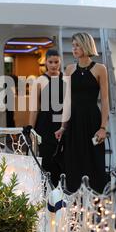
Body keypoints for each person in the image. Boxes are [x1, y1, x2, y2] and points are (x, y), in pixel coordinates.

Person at [54, 33, 110, 193]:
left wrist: (103, 127)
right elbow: (66, 101)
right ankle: (73, 202)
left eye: (77, 45)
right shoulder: (69, 69)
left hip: (93, 121)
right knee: (73, 161)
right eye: (73, 45)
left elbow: (105, 100)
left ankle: (97, 203)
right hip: (74, 122)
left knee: (94, 161)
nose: (74, 49)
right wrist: (63, 127)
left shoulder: (100, 69)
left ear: (86, 45)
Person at [28, 50, 64, 186]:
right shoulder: (40, 81)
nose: (54, 65)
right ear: (46, 63)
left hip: (62, 124)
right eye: (51, 62)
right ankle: (45, 190)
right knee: (46, 159)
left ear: (60, 62)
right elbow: (34, 107)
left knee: (61, 160)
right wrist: (30, 129)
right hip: (44, 124)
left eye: (56, 62)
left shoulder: (66, 79)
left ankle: (61, 191)